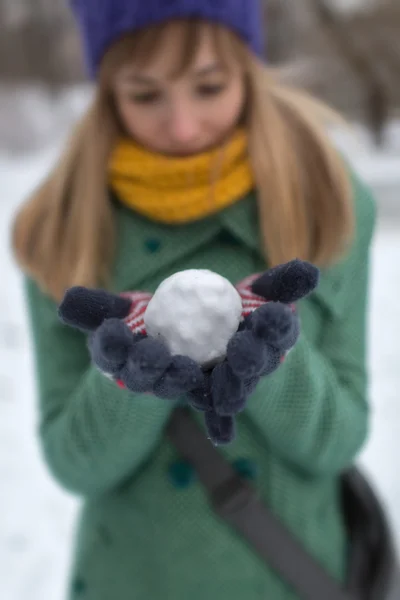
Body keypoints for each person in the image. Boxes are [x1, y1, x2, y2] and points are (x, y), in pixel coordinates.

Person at [12, 1, 382, 598]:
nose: (182, 126)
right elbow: (74, 464)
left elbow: (337, 441)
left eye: (208, 87)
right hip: (134, 578)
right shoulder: (57, 228)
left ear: (247, 71)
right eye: (145, 94)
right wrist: (126, 377)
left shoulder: (327, 201)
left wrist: (276, 361)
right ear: (107, 92)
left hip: (286, 575)